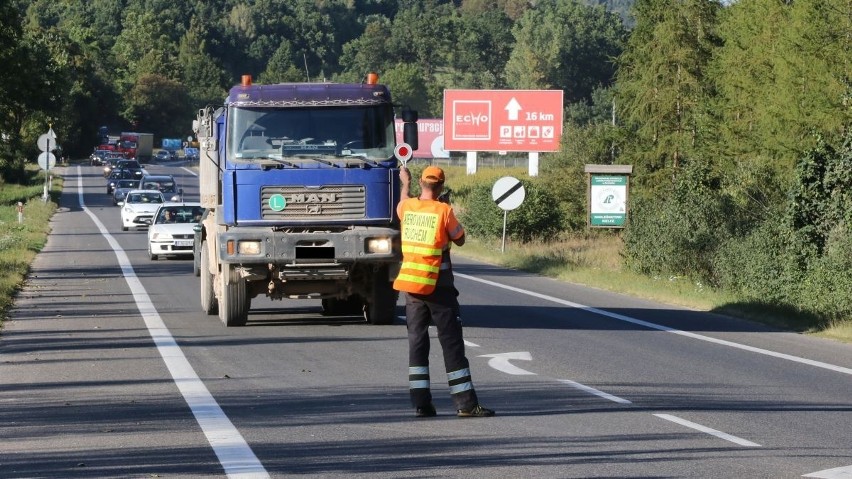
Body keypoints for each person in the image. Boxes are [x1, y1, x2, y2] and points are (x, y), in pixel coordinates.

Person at [394, 165, 495, 419]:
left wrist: (404, 182)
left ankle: (421, 404)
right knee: (451, 343)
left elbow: (403, 200)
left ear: (421, 183)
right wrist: (445, 206)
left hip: (411, 287)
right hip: (438, 287)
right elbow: (459, 238)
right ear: (440, 186)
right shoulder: (443, 210)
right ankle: (466, 405)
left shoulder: (406, 208)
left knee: (417, 343)